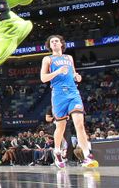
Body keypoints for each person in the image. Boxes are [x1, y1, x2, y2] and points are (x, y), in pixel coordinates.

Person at [40, 35, 97, 168]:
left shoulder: (69, 58)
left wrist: (77, 77)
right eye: (52, 41)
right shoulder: (47, 59)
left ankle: (86, 155)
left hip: (73, 92)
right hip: (59, 94)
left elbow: (73, 74)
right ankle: (58, 151)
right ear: (49, 45)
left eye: (56, 41)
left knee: (79, 124)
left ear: (61, 44)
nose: (54, 43)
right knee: (61, 127)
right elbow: (43, 78)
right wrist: (57, 71)